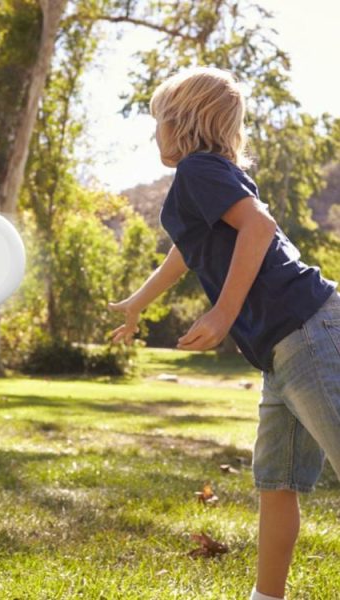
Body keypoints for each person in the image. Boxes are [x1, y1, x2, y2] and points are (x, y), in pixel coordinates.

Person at [107, 67, 340, 600]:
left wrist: (223, 313)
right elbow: (185, 253)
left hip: (308, 330)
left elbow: (259, 228)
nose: (154, 135)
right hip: (281, 350)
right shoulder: (206, 179)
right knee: (276, 483)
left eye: (158, 122)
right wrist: (138, 303)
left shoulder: (198, 170)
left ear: (182, 122)